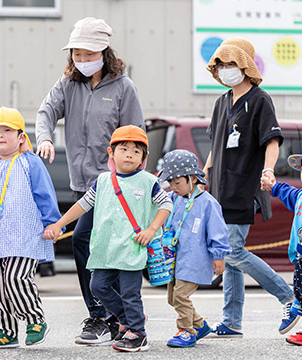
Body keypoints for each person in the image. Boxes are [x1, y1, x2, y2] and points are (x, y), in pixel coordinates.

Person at [35, 17, 145, 344]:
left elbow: (136, 137)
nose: (82, 61)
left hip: (115, 185)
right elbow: (46, 112)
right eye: (77, 55)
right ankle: (109, 316)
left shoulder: (124, 88)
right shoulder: (68, 84)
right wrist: (44, 137)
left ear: (103, 52)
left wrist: (131, 177)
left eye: (88, 54)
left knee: (91, 243)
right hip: (82, 185)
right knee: (87, 244)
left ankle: (109, 316)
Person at [44, 125, 172, 352]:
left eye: (136, 151)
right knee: (97, 286)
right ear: (111, 153)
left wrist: (152, 229)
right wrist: (59, 225)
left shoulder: (147, 181)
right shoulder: (102, 181)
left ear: (143, 157)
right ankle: (128, 318)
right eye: (124, 149)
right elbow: (82, 205)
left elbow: (166, 204)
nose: (130, 154)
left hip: (132, 248)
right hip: (104, 249)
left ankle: (138, 334)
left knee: (130, 293)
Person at [204, 37, 296, 337]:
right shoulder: (221, 102)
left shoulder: (259, 100)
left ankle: (289, 297)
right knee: (229, 257)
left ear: (245, 65)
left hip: (244, 186)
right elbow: (214, 146)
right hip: (218, 188)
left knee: (232, 250)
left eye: (232, 64)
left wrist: (268, 170)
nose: (226, 70)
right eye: (222, 64)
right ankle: (231, 321)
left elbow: (271, 140)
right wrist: (203, 178)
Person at [0, 106, 61, 349]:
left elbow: (45, 194)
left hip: (25, 235)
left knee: (16, 277)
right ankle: (6, 330)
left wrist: (52, 223)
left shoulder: (29, 162)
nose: (0, 135)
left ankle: (35, 320)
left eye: (7, 130)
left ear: (21, 137)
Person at [157, 149, 231, 347]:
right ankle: (199, 325)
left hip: (195, 260)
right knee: (172, 298)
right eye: (170, 182)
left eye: (177, 182)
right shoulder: (174, 199)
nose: (173, 186)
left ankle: (186, 331)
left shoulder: (208, 203)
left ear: (192, 178)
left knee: (181, 296)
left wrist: (218, 256)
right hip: (175, 259)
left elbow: (217, 231)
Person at [264, 154, 302, 345]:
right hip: (300, 256)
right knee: (300, 288)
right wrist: (273, 185)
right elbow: (285, 191)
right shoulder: (300, 196)